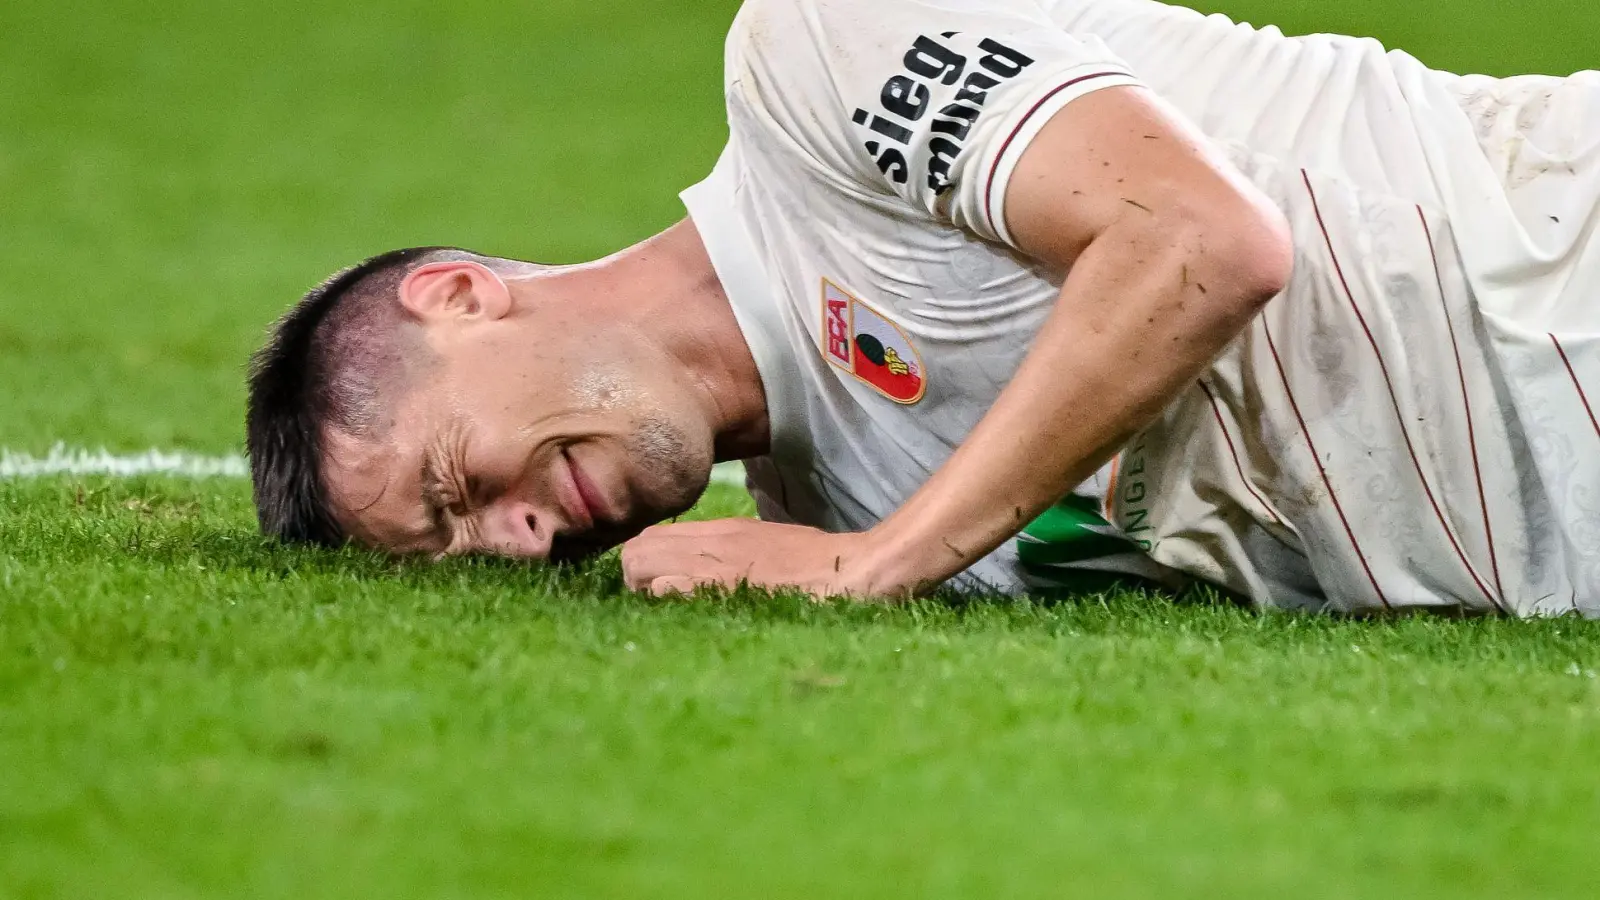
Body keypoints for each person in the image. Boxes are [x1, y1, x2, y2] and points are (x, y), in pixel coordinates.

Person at [246, 0, 1600, 615]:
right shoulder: (821, 511)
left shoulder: (815, 54)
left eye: (449, 488)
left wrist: (881, 563)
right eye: (469, 555)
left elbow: (1200, 238)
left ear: (462, 298)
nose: (516, 540)